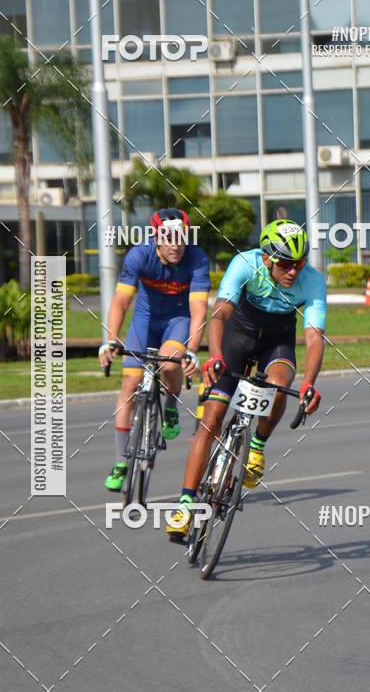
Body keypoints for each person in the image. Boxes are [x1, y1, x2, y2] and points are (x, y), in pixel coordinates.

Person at [166, 218, 326, 542]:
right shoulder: (245, 263)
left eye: (299, 262)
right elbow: (220, 314)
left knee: (279, 386)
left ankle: (256, 446)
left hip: (277, 340)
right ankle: (185, 504)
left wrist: (309, 382)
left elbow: (313, 338)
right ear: (266, 257)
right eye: (284, 262)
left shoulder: (312, 281)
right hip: (238, 335)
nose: (293, 270)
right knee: (211, 419)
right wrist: (215, 357)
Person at [99, 208, 210, 492]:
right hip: (145, 321)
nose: (175, 244)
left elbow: (198, 310)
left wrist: (193, 350)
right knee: (129, 384)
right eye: (168, 237)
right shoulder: (139, 255)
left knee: (171, 364)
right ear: (156, 236)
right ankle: (120, 462)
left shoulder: (197, 259)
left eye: (181, 237)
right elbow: (121, 301)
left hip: (177, 320)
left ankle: (171, 404)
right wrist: (111, 339)